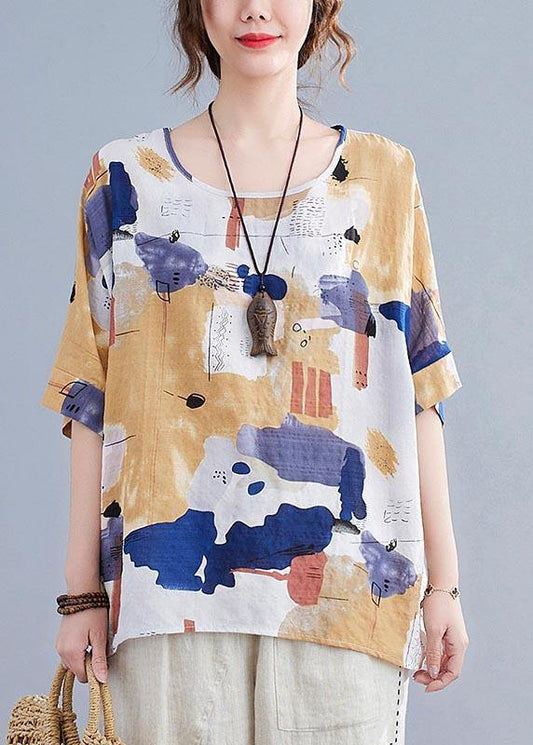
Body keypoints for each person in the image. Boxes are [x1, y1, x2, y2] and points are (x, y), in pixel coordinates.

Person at [40, 1, 469, 743]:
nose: (256, 9)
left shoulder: (384, 177)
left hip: (345, 597)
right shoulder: (124, 177)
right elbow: (89, 397)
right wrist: (82, 595)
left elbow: (419, 389)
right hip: (167, 594)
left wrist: (445, 587)